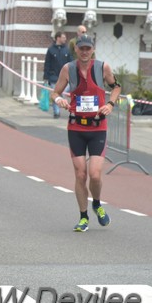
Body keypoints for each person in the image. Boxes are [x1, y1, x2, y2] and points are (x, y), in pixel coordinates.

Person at [51, 35, 120, 232]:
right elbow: (55, 93)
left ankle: (96, 204)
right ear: (76, 49)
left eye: (88, 48)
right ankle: (83, 217)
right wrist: (60, 101)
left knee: (95, 174)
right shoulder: (68, 69)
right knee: (80, 174)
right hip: (76, 128)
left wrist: (110, 104)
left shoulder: (102, 67)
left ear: (92, 50)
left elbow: (117, 86)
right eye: (81, 48)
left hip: (98, 127)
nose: (84, 52)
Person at [43, 31, 71, 118]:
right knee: (55, 94)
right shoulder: (51, 50)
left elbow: (71, 63)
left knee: (63, 93)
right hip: (53, 77)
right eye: (63, 37)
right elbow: (47, 63)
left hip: (65, 78)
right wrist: (46, 77)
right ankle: (56, 112)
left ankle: (66, 106)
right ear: (58, 38)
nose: (65, 39)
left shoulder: (67, 50)